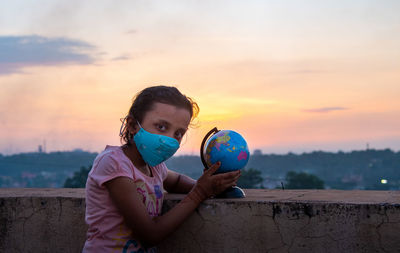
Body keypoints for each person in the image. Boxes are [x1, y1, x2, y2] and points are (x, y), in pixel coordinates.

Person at [83, 86, 241, 252]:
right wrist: (199, 192)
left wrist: (210, 186)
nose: (170, 139)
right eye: (162, 127)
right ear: (132, 125)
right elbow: (150, 234)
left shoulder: (154, 166)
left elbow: (176, 181)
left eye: (178, 133)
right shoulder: (113, 164)